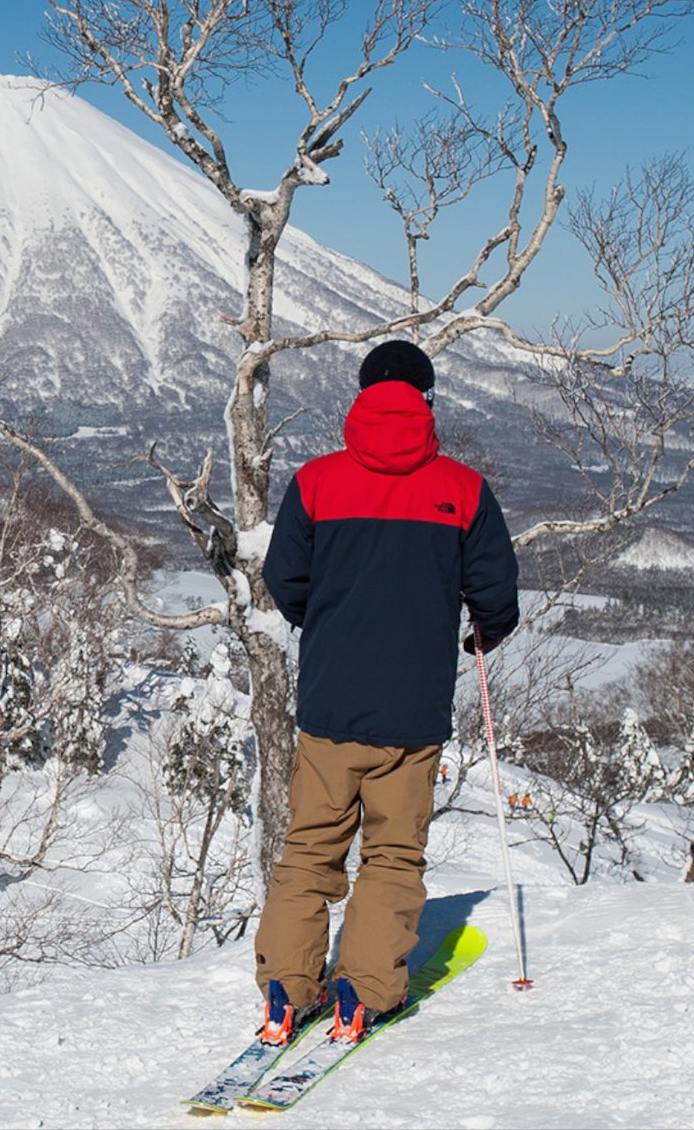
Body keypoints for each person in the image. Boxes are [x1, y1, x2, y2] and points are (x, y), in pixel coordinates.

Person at [255, 339, 521, 1044]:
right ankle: (364, 994)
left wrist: (332, 623)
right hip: (413, 710)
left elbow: (285, 581)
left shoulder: (316, 483)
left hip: (330, 705)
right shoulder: (462, 489)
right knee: (392, 855)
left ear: (362, 397)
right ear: (428, 402)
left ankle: (285, 991)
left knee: (309, 849)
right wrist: (480, 634)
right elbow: (496, 595)